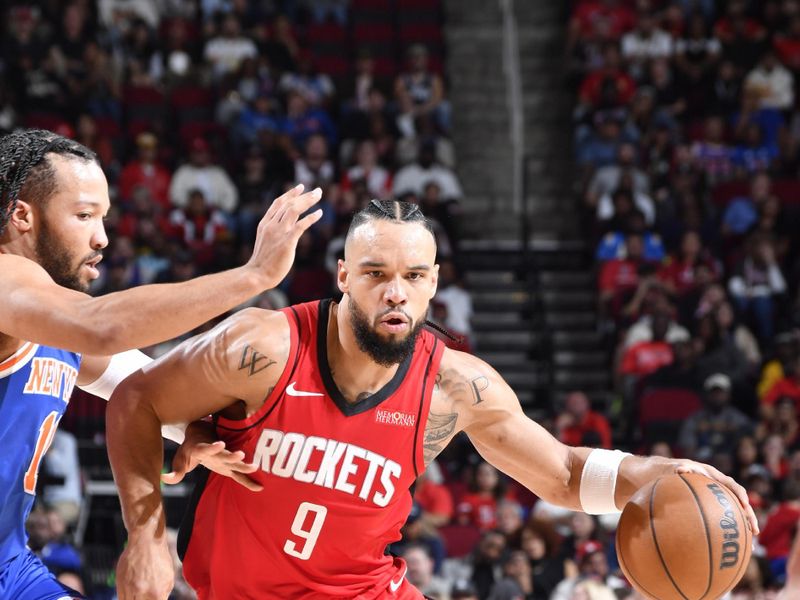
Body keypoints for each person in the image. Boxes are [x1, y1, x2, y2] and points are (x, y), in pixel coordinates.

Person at [107, 199, 758, 599]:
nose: (396, 292)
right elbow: (135, 399)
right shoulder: (261, 348)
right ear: (342, 277)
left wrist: (661, 474)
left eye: (414, 277)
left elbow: (560, 472)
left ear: (434, 284)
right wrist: (146, 535)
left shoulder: (454, 386)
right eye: (377, 274)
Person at [0, 128, 322, 599]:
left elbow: (146, 391)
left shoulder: (54, 321)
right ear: (23, 216)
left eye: (104, 217)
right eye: (84, 215)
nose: (102, 237)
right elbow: (102, 326)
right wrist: (252, 275)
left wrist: (196, 429)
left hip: (12, 564)